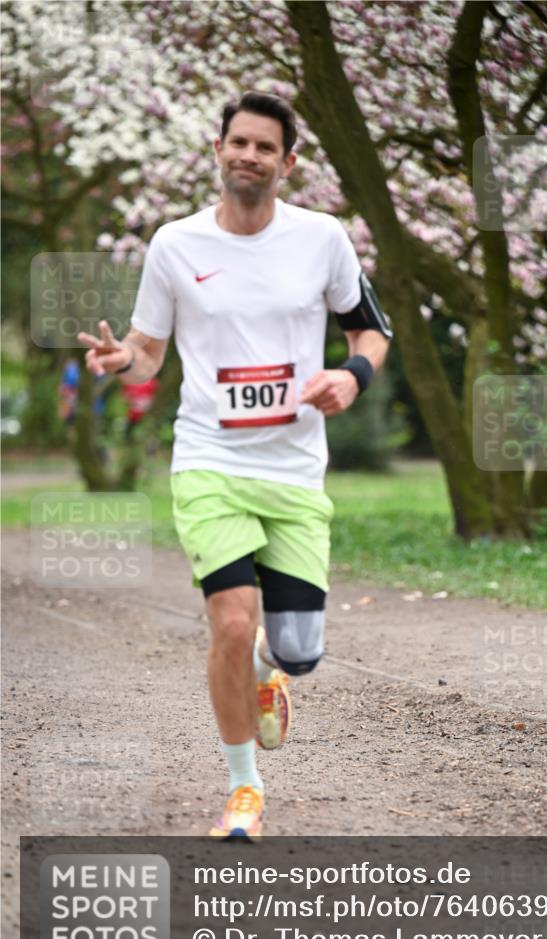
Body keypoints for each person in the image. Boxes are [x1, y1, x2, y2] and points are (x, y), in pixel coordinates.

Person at [78, 91, 392, 839]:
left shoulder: (321, 240)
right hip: (208, 458)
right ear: (217, 150)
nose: (248, 156)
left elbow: (369, 334)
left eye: (264, 147)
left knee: (297, 651)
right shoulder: (174, 245)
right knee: (227, 620)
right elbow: (148, 349)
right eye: (238, 142)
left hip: (292, 468)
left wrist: (350, 377)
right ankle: (243, 791)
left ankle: (269, 668)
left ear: (287, 164)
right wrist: (126, 360)